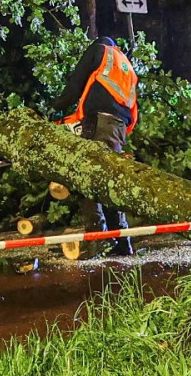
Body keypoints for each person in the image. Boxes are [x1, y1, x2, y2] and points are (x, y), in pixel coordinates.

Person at [51, 35, 140, 256]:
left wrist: (56, 106)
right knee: (109, 181)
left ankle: (96, 241)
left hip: (98, 121)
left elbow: (75, 85)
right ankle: (122, 241)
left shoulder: (99, 51)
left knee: (87, 180)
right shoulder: (125, 63)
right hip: (118, 126)